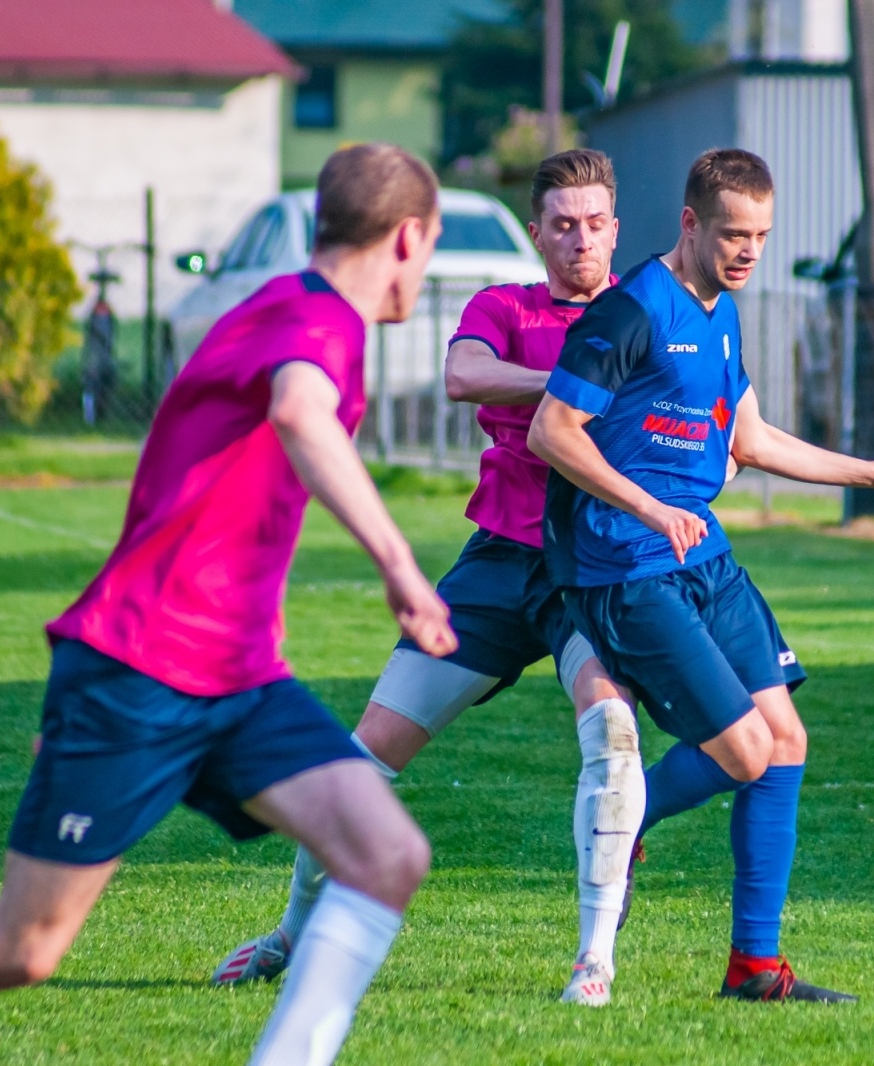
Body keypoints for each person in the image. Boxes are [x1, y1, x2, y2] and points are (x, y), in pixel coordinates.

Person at [0, 144, 456, 1065]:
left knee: (388, 856)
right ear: (410, 236)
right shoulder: (322, 321)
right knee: (23, 947)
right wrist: (398, 564)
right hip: (138, 666)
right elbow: (300, 413)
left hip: (236, 677)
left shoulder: (285, 305)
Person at [213, 148, 646, 1008]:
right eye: (562, 225)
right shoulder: (505, 305)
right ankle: (293, 934)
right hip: (496, 561)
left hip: (591, 566)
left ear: (616, 230)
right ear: (536, 234)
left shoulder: (641, 313)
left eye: (595, 225)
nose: (580, 241)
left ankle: (594, 960)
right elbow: (462, 373)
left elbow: (702, 410)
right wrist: (574, 385)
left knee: (613, 734)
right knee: (362, 756)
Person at [529, 148, 874, 1003]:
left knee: (785, 739)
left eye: (760, 234)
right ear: (689, 224)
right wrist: (648, 508)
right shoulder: (631, 310)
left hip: (700, 556)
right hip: (626, 566)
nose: (749, 250)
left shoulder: (721, 309)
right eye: (732, 234)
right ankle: (627, 820)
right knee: (748, 750)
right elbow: (552, 432)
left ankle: (755, 968)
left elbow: (748, 439)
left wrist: (872, 471)